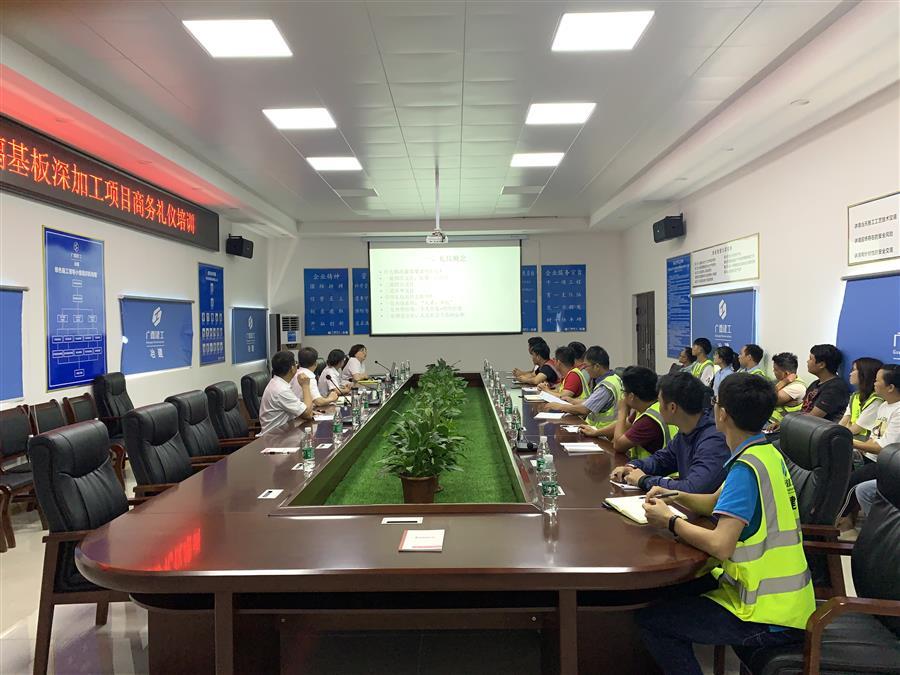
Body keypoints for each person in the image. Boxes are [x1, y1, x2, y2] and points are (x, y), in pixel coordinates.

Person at [636, 373, 813, 675]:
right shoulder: (763, 453)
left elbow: (720, 544)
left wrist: (670, 520)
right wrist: (674, 495)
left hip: (767, 614)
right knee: (672, 591)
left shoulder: (746, 469)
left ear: (722, 414)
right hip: (785, 602)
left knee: (653, 622)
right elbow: (714, 502)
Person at [610, 372, 731, 493]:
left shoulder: (714, 440)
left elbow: (693, 488)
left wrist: (643, 480)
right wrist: (632, 467)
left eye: (659, 402)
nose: (658, 407)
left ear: (672, 407)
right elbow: (661, 460)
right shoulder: (685, 432)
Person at [581, 365, 678, 460]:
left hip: (657, 470)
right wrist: (596, 432)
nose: (623, 396)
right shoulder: (650, 407)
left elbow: (618, 445)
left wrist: (622, 412)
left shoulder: (649, 421)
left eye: (624, 392)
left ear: (631, 396)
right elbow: (627, 424)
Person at [847, 365, 900, 494]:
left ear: (890, 387)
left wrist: (850, 442)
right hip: (870, 457)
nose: (874, 383)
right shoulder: (884, 406)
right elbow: (875, 437)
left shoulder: (898, 411)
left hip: (885, 464)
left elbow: (884, 449)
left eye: (877, 380)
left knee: (848, 482)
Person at [544, 346, 622, 428]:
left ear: (597, 367)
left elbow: (584, 409)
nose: (585, 370)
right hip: (598, 428)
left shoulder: (605, 387)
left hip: (601, 430)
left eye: (586, 366)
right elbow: (592, 402)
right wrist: (573, 401)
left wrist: (560, 406)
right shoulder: (614, 378)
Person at [258, 350, 314, 435]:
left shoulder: (277, 383)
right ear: (292, 368)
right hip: (274, 438)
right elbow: (308, 414)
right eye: (295, 363)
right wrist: (305, 386)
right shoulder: (281, 390)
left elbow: (302, 411)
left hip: (283, 432)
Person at [799, 344, 849, 422]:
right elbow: (803, 410)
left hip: (817, 427)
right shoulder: (815, 384)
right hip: (803, 424)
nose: (807, 361)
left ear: (821, 365)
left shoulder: (836, 387)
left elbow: (812, 418)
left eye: (811, 359)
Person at [839, 357, 884, 440]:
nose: (850, 374)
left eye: (854, 370)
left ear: (865, 374)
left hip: (864, 441)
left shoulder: (876, 400)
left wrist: (837, 435)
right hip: (850, 436)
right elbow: (845, 419)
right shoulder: (855, 395)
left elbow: (857, 428)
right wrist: (834, 432)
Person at [766, 352, 808, 429]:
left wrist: (784, 382)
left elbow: (769, 400)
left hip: (777, 426)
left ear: (786, 373)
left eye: (776, 369)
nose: (773, 371)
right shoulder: (778, 380)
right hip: (767, 419)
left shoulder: (797, 387)